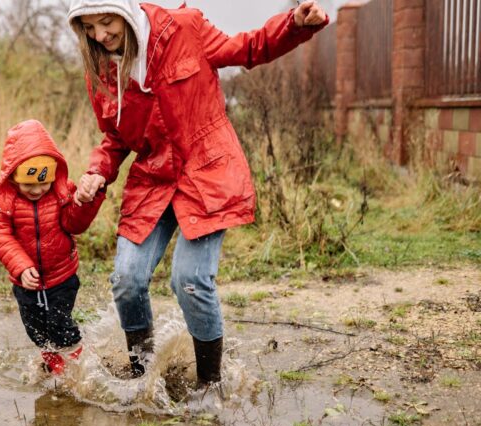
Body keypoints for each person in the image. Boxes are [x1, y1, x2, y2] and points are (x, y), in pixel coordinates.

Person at [67, 0, 328, 386]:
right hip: (153, 177)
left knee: (189, 279)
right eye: (89, 28)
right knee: (126, 279)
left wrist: (294, 24)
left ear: (126, 10)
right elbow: (115, 137)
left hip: (206, 171)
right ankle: (143, 375)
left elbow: (248, 48)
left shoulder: (183, 29)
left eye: (107, 22)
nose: (100, 36)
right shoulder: (101, 69)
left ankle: (210, 385)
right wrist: (96, 172)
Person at [0, 119, 106, 375]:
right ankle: (54, 365)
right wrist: (21, 266)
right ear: (13, 177)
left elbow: (74, 224)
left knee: (59, 323)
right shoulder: (4, 201)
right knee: (36, 329)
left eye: (43, 183)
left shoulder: (62, 192)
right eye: (28, 184)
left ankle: (80, 364)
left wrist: (85, 203)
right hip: (26, 282)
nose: (37, 189)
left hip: (61, 276)